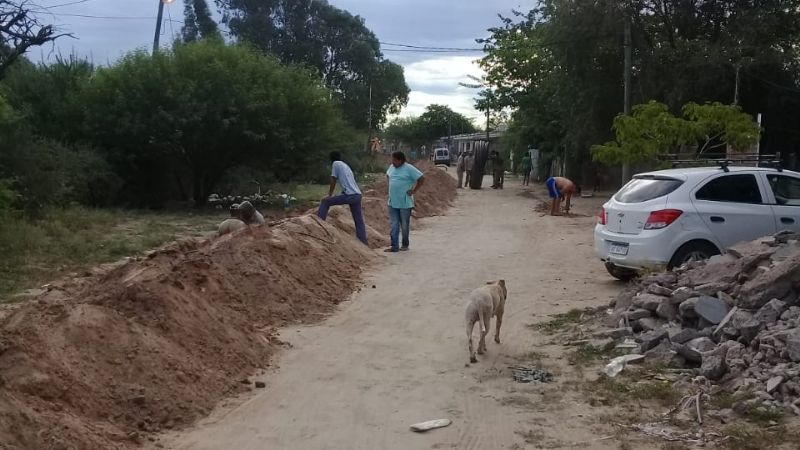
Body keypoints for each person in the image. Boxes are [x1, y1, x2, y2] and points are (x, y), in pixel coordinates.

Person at [317, 151, 368, 245]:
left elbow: (333, 179)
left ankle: (319, 226)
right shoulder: (345, 165)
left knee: (325, 202)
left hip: (350, 195)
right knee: (358, 220)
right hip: (357, 195)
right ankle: (363, 242)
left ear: (331, 158)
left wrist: (329, 194)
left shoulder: (335, 164)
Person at [385, 151, 425, 252]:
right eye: (392, 159)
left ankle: (405, 244)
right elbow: (388, 175)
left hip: (405, 202)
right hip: (392, 201)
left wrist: (414, 190)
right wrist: (390, 186)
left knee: (404, 225)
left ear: (400, 160)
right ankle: (394, 246)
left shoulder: (409, 168)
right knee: (394, 224)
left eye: (394, 160)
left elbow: (421, 178)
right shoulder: (391, 167)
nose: (392, 162)